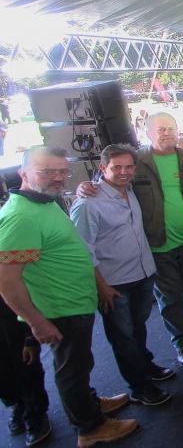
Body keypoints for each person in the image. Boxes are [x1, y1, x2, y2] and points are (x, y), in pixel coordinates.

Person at [0, 147, 139, 447]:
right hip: (59, 308)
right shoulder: (19, 217)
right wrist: (36, 324)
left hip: (73, 302)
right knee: (71, 369)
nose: (58, 178)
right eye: (47, 171)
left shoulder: (43, 203)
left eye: (62, 171)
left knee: (80, 363)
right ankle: (90, 428)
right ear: (24, 174)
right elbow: (6, 280)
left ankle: (88, 404)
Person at [78, 113, 183, 369]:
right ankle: (182, 344)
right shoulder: (137, 161)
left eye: (170, 128)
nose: (166, 133)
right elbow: (114, 178)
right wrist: (88, 185)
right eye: (160, 129)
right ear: (147, 133)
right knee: (170, 300)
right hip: (157, 247)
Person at [70, 144, 173, 407]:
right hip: (114, 284)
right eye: (117, 168)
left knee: (137, 329)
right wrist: (101, 287)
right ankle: (140, 387)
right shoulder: (87, 203)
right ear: (103, 168)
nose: (124, 172)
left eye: (129, 167)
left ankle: (146, 366)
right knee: (122, 336)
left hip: (143, 273)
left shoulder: (130, 190)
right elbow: (83, 251)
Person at [1, 295, 50, 446]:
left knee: (24, 362)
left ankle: (36, 413)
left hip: (10, 311)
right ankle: (17, 402)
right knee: (3, 374)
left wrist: (31, 335)